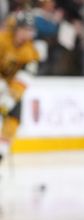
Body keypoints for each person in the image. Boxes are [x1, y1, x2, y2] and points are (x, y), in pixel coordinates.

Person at [0, 12, 38, 166]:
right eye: (23, 29)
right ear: (15, 28)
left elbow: (25, 78)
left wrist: (10, 97)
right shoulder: (2, 40)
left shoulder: (31, 52)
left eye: (29, 30)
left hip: (10, 91)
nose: (26, 34)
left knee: (14, 120)